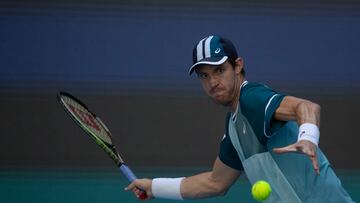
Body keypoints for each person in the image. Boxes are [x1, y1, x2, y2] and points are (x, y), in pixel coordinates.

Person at [125, 35, 354, 202]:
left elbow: (306, 107)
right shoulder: (234, 127)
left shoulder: (251, 98)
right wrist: (153, 187)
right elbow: (215, 182)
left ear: (237, 66)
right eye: (204, 75)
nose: (212, 82)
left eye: (219, 70)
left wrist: (308, 138)